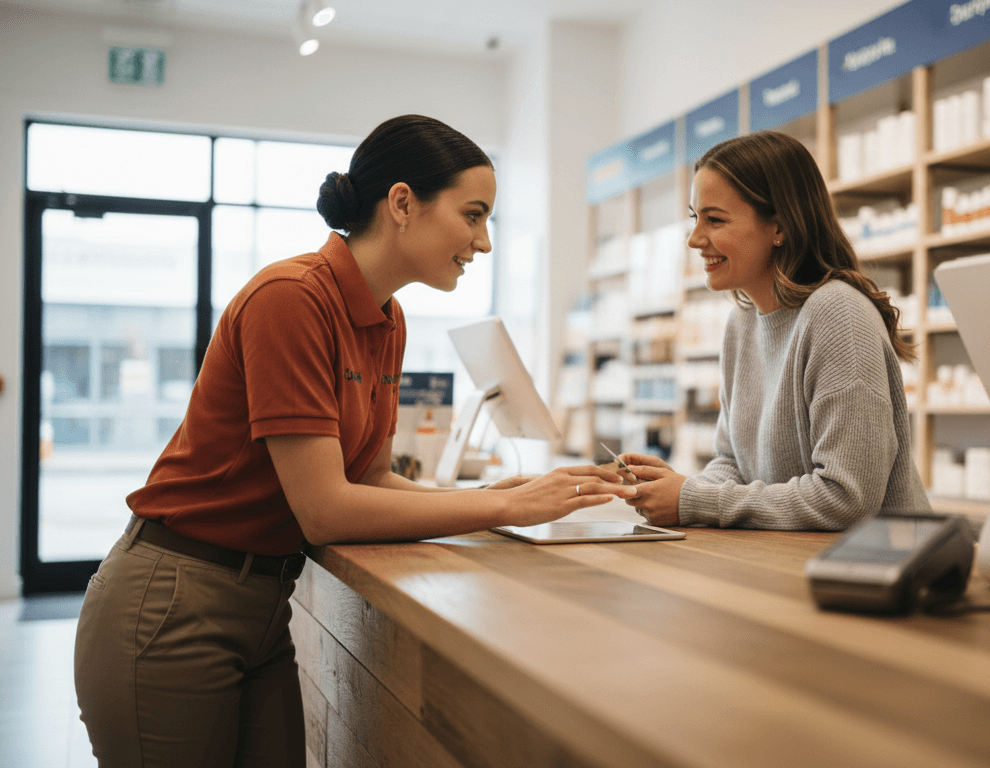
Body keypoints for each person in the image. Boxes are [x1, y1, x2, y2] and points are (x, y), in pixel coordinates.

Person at [73, 114, 633, 768]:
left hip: (263, 604)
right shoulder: (291, 298)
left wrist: (485, 494)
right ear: (402, 203)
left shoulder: (386, 316)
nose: (482, 243)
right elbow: (326, 510)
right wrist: (502, 508)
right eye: (473, 215)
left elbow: (367, 479)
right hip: (176, 600)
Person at [620, 130, 930, 530]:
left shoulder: (838, 314)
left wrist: (694, 500)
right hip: (788, 560)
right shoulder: (741, 324)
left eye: (715, 219)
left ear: (779, 227)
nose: (695, 239)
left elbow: (847, 497)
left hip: (877, 565)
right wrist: (676, 490)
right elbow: (732, 463)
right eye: (695, 218)